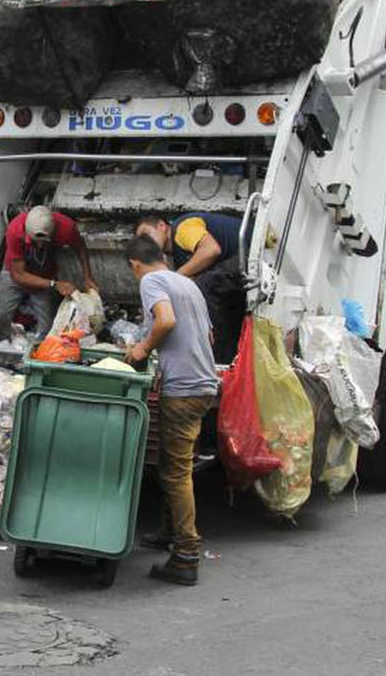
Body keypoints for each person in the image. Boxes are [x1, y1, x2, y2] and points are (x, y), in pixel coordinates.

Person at [124, 233, 218, 586]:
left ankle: (185, 555)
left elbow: (164, 321)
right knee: (173, 463)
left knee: (176, 472)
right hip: (205, 385)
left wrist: (142, 351)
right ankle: (168, 530)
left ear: (135, 264)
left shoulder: (151, 280)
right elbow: (208, 337)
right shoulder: (187, 284)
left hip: (184, 388)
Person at [136, 212, 245, 363]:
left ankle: (218, 361)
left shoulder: (182, 228)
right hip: (235, 271)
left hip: (246, 256)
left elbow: (211, 250)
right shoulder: (178, 254)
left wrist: (174, 278)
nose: (146, 241)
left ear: (162, 226)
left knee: (207, 287)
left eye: (146, 233)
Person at [0, 205, 98, 338]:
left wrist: (87, 276)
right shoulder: (15, 230)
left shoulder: (66, 227)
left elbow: (80, 247)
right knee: (2, 315)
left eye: (44, 241)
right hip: (15, 274)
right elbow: (18, 275)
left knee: (48, 328)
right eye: (35, 241)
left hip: (44, 273)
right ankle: (0, 341)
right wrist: (54, 284)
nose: (40, 245)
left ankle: (40, 350)